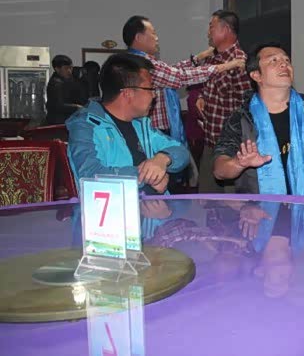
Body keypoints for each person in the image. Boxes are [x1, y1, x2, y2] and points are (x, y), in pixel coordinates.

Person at [212, 42, 304, 260]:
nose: (283, 64)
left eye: (286, 60)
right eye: (273, 61)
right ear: (256, 75)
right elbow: (219, 170)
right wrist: (239, 163)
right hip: (256, 216)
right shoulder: (241, 118)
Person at [66, 54, 190, 240]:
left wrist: (162, 159)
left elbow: (180, 151)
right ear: (128, 93)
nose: (154, 95)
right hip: (105, 234)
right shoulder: (86, 126)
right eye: (150, 88)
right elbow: (90, 175)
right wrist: (147, 176)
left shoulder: (141, 125)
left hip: (151, 228)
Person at [122, 15, 243, 144]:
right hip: (155, 132)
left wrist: (200, 57)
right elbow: (179, 76)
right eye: (153, 33)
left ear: (226, 29)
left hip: (226, 138)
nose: (156, 38)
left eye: (211, 27)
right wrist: (224, 67)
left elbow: (171, 71)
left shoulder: (139, 60)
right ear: (139, 38)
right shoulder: (143, 65)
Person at [194, 10, 253, 193]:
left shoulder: (239, 62)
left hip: (232, 149)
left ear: (225, 29)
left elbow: (247, 105)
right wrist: (201, 97)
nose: (208, 32)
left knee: (231, 204)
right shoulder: (213, 58)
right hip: (210, 141)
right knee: (206, 198)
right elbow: (208, 88)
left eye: (211, 27)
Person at [45, 55, 84, 124]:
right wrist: (77, 107)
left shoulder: (68, 80)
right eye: (66, 68)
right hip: (58, 122)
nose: (69, 71)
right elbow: (58, 105)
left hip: (66, 120)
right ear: (57, 69)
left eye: (71, 68)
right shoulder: (55, 83)